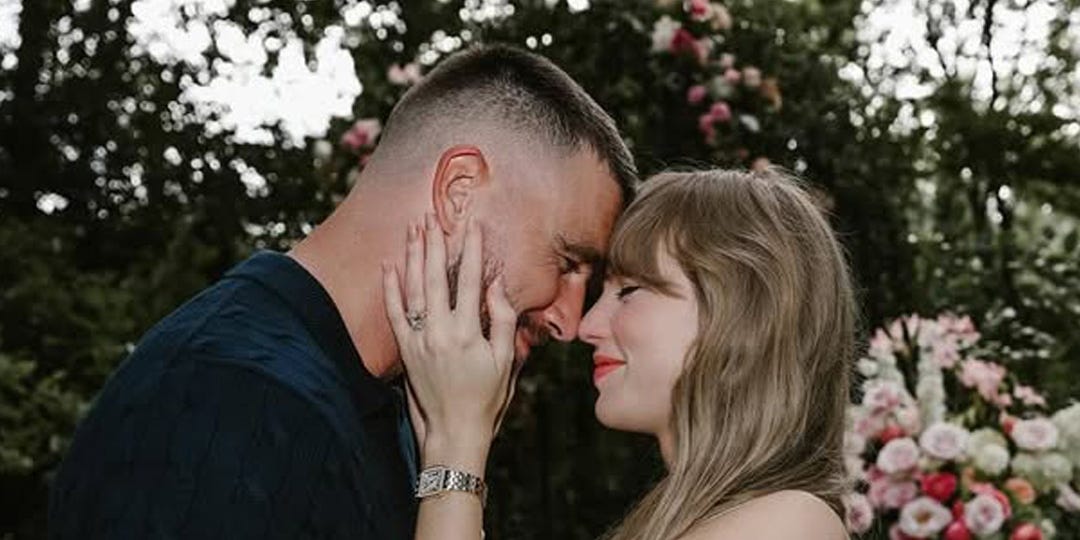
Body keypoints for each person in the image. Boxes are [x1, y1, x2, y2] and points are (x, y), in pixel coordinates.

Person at [48, 44, 636, 539]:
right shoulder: (229, 401)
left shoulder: (394, 411)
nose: (568, 320)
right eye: (568, 262)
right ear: (458, 192)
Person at [386, 168, 855, 539]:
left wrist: (457, 447)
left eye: (629, 291)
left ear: (745, 313)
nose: (587, 326)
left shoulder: (791, 522)